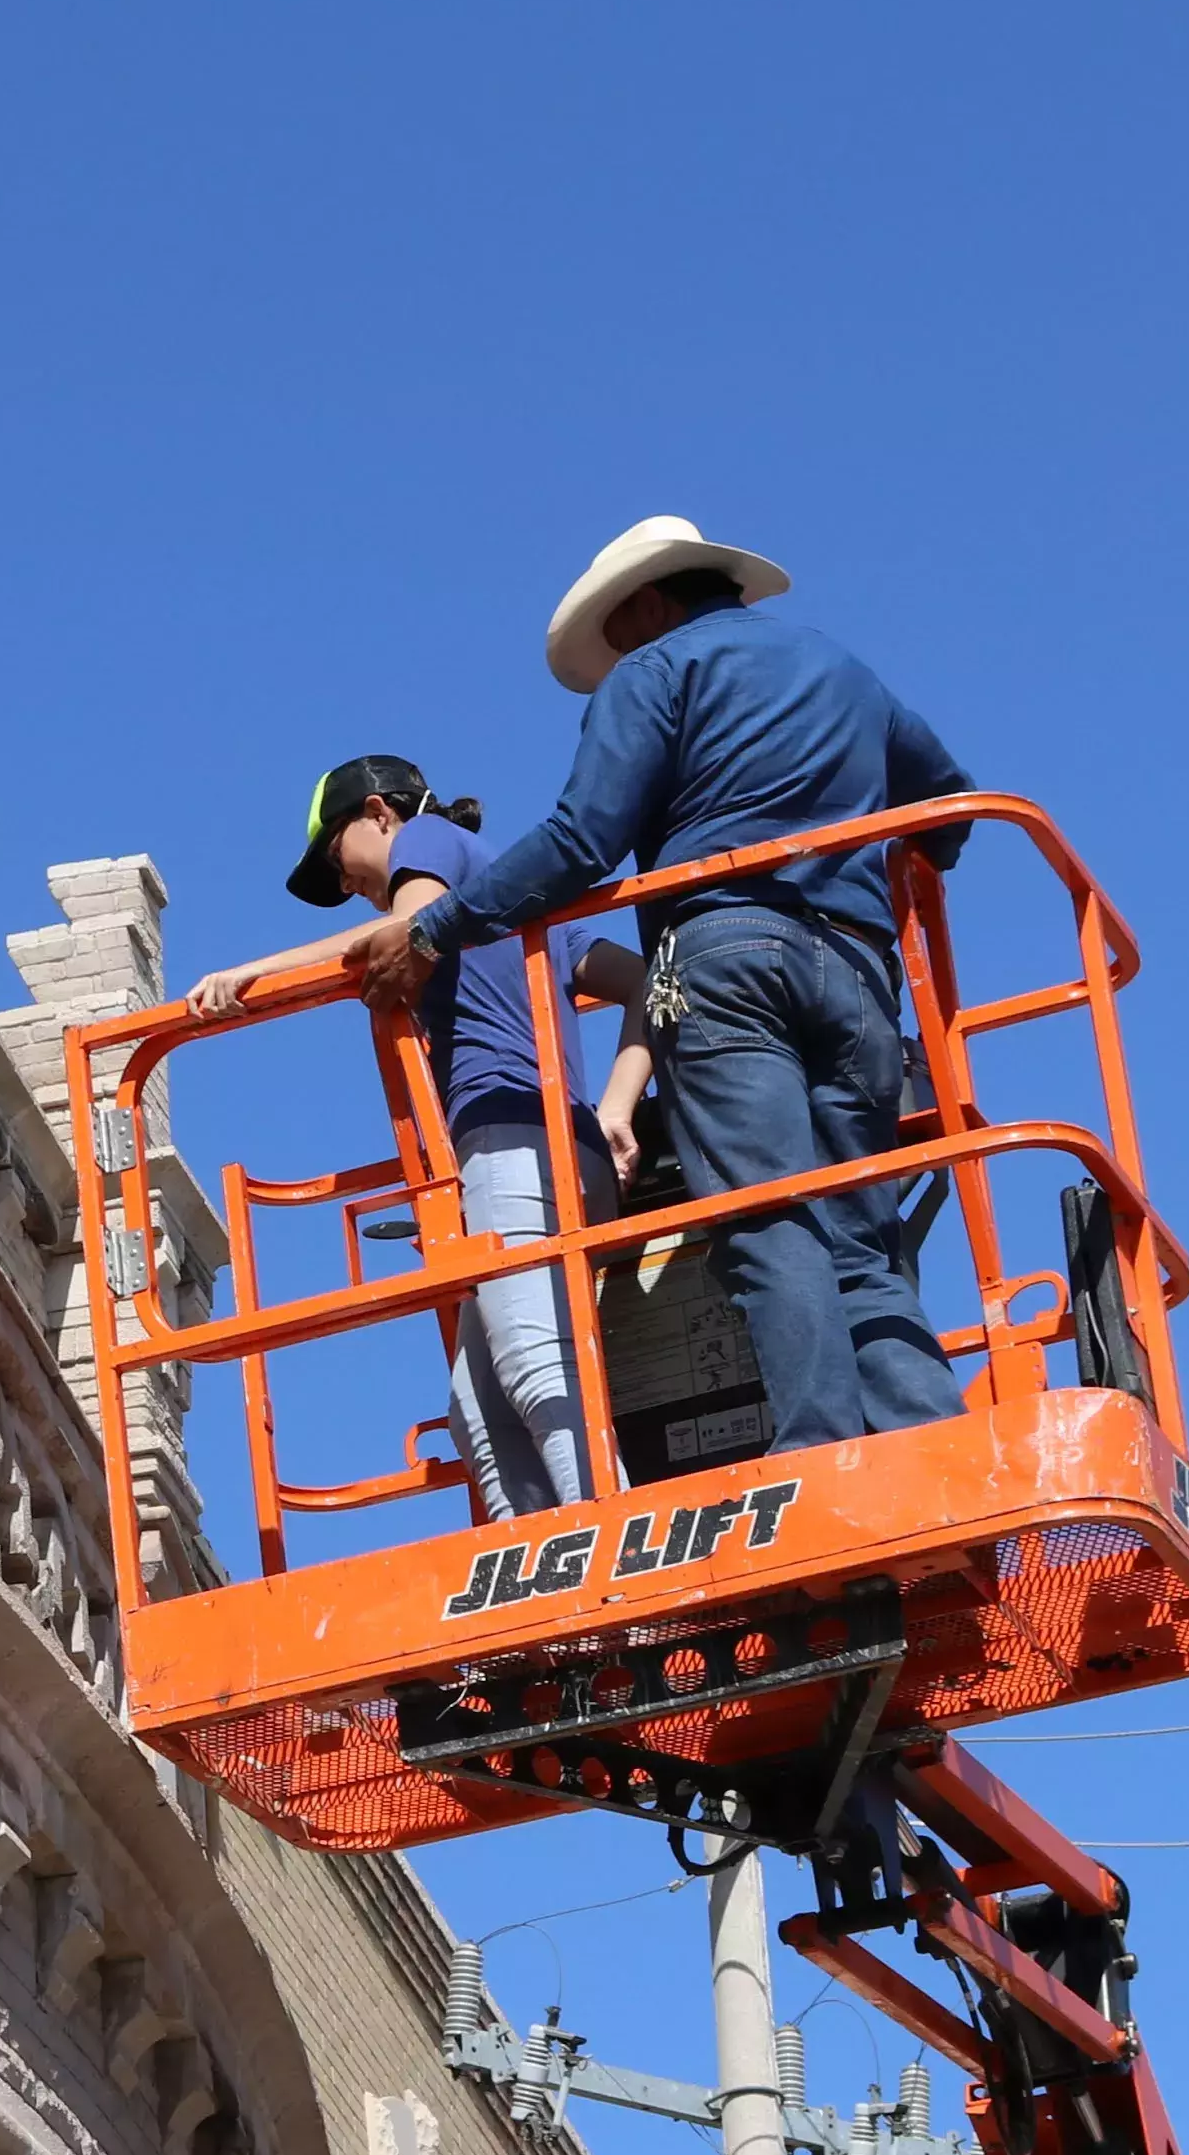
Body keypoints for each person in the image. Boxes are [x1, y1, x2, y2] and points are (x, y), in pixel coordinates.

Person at [357, 516, 973, 1452]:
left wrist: (435, 929)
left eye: (617, 635)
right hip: (857, 970)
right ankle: (934, 1448)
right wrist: (863, 869)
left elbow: (581, 841)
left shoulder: (653, 673)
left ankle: (827, 1459)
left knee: (767, 1215)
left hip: (724, 956)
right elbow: (949, 812)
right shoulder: (844, 669)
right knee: (863, 1231)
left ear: (644, 602)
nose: (617, 654)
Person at [186, 753, 640, 1519]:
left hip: (511, 1139)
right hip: (565, 1146)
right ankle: (551, 1566)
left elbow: (405, 930)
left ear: (378, 813)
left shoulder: (426, 840)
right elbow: (643, 983)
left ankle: (624, 1542)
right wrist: (618, 1109)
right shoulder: (514, 887)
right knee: (479, 1407)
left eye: (340, 861)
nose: (348, 889)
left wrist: (248, 974)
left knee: (534, 1364)